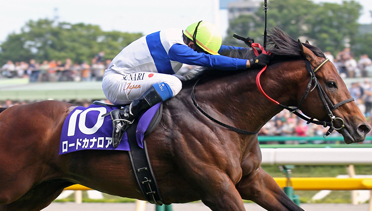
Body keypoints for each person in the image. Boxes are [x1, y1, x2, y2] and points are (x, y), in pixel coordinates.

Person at [103, 20, 270, 147]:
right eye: (198, 49)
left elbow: (217, 50)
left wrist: (249, 52)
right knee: (174, 83)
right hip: (118, 83)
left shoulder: (184, 38)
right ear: (191, 44)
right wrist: (249, 64)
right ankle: (125, 115)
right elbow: (208, 59)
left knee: (184, 83)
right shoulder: (176, 47)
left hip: (132, 80)